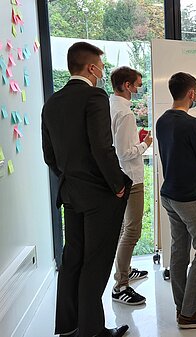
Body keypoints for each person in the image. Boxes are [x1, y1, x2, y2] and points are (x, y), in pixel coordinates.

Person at [42, 42, 131, 337]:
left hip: (71, 193)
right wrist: (117, 185)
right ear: (91, 68)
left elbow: (50, 157)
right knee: (96, 262)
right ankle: (92, 332)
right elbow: (102, 148)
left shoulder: (51, 103)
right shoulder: (94, 96)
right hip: (99, 196)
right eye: (101, 67)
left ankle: (69, 328)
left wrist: (72, 179)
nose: (102, 72)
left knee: (73, 259)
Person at [155, 72, 196, 329]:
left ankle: (184, 304)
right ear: (191, 93)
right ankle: (189, 314)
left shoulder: (162, 121)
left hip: (169, 195)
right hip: (191, 199)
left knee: (179, 252)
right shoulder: (193, 125)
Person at [109, 66, 152, 306]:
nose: (138, 89)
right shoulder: (125, 114)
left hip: (120, 175)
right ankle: (121, 284)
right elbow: (125, 152)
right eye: (137, 84)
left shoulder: (111, 105)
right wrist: (144, 144)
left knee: (127, 228)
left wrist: (137, 140)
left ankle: (124, 271)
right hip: (131, 177)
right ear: (127, 85)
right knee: (132, 230)